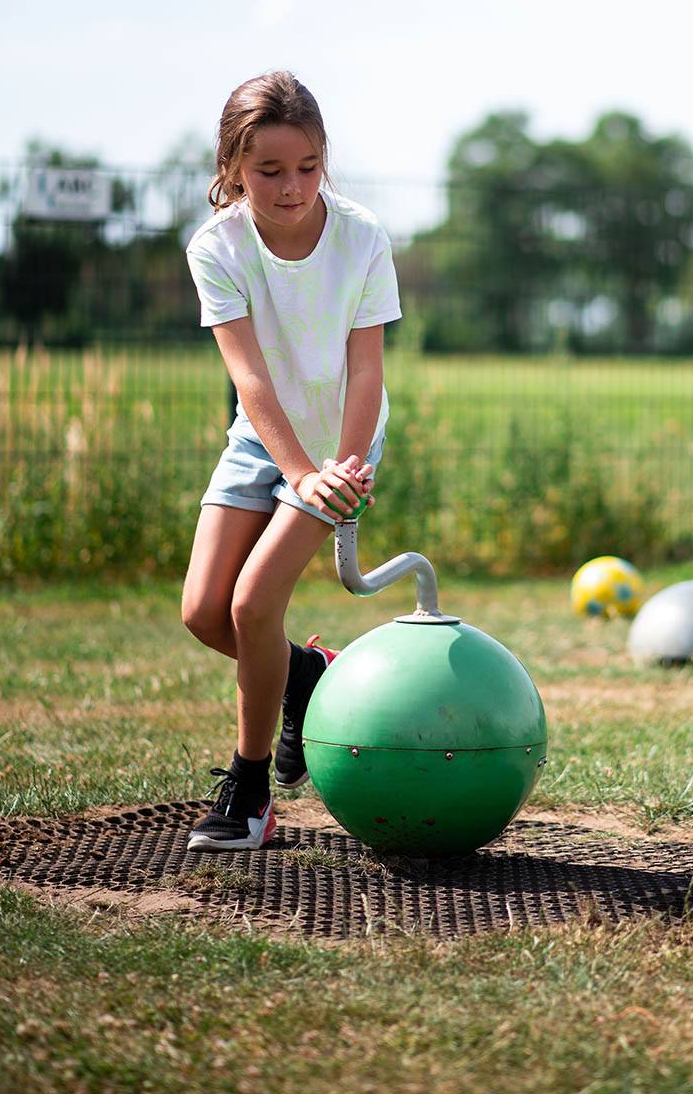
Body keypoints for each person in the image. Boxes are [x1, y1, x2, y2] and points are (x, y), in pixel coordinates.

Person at [180, 71, 402, 852]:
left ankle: (249, 797)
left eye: (307, 166)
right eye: (269, 170)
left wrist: (335, 468)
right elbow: (250, 379)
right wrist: (295, 467)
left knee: (251, 608)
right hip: (264, 438)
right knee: (204, 610)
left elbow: (367, 370)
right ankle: (308, 678)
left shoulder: (362, 235)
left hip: (343, 442)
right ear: (234, 166)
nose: (291, 186)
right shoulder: (218, 247)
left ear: (323, 159)